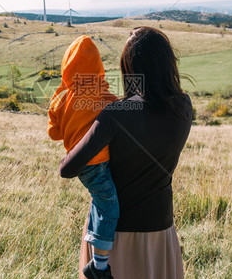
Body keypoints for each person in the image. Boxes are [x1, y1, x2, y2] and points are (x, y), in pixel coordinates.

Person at [59, 27, 192, 279]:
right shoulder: (184, 106)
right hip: (161, 229)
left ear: (128, 68)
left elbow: (67, 169)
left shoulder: (116, 114)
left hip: (111, 239)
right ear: (167, 65)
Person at [47, 35, 119, 279]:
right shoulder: (102, 93)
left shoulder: (61, 97)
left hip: (80, 164)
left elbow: (53, 132)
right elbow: (118, 111)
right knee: (109, 208)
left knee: (99, 203)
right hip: (99, 163)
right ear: (98, 66)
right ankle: (98, 267)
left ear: (67, 66)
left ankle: (91, 250)